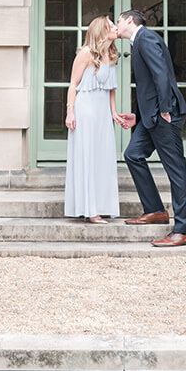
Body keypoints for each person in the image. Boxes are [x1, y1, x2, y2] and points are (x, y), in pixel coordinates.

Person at [110, 8, 186, 247]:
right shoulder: (139, 42)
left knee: (176, 170)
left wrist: (166, 109)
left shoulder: (145, 38)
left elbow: (161, 75)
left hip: (165, 115)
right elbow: (147, 85)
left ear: (128, 20)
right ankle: (155, 209)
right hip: (150, 116)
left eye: (118, 21)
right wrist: (138, 115)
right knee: (133, 154)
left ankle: (183, 229)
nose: (116, 25)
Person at [63, 16, 128, 223]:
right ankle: (90, 210)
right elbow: (73, 84)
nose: (116, 28)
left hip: (102, 113)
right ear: (101, 31)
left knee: (103, 157)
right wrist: (70, 112)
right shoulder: (85, 54)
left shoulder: (111, 54)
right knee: (88, 157)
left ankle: (102, 204)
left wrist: (114, 112)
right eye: (111, 26)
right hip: (86, 110)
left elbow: (111, 89)